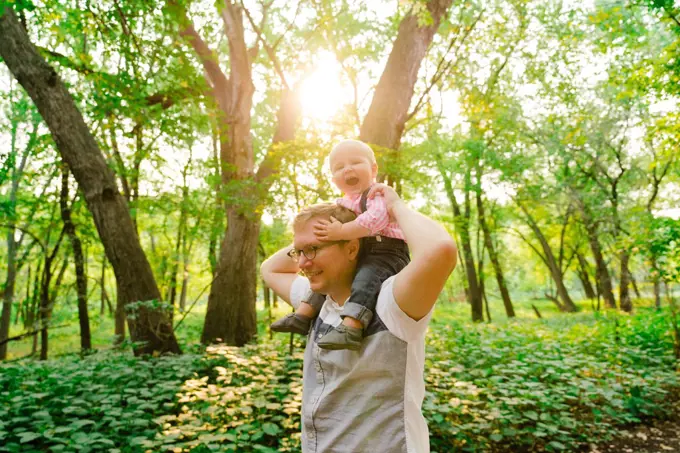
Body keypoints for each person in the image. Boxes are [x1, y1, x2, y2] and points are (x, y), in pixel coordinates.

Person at [261, 183, 457, 453]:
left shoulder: (391, 303)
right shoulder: (317, 300)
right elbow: (270, 268)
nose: (302, 263)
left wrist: (392, 209)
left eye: (314, 249)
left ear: (352, 250)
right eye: (299, 252)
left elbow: (440, 249)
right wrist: (325, 229)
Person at [270, 139, 410, 350]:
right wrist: (312, 237)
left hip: (387, 251)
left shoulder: (377, 195)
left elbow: (376, 220)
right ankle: (302, 315)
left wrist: (342, 231)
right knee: (328, 280)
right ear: (334, 180)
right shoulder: (345, 202)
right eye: (339, 167)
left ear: (373, 169)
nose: (348, 169)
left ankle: (352, 326)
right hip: (366, 248)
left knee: (366, 279)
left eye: (355, 162)